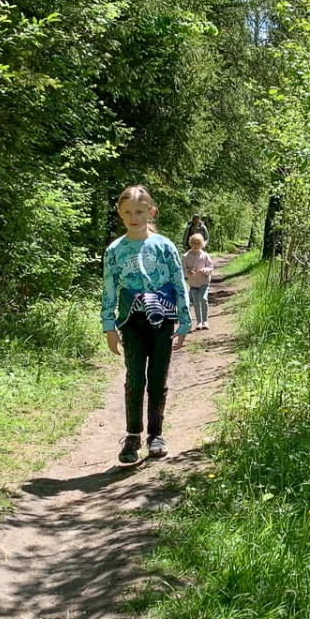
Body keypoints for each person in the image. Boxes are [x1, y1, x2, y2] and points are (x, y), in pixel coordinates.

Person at [101, 185, 191, 464]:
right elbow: (109, 288)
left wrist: (185, 321)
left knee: (158, 378)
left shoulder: (164, 245)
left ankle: (155, 435)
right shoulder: (115, 250)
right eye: (127, 212)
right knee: (135, 377)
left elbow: (178, 282)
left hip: (162, 318)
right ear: (120, 213)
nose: (133, 217)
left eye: (139, 211)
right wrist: (109, 326)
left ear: (150, 212)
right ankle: (132, 436)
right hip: (131, 320)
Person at [182, 234, 215, 330]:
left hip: (204, 281)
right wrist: (188, 272)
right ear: (190, 243)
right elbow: (182, 269)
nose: (196, 245)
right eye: (194, 243)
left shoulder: (204, 255)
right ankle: (199, 322)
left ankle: (205, 321)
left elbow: (211, 266)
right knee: (196, 302)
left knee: (204, 299)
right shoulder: (186, 256)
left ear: (202, 245)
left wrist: (206, 270)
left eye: (198, 243)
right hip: (192, 283)